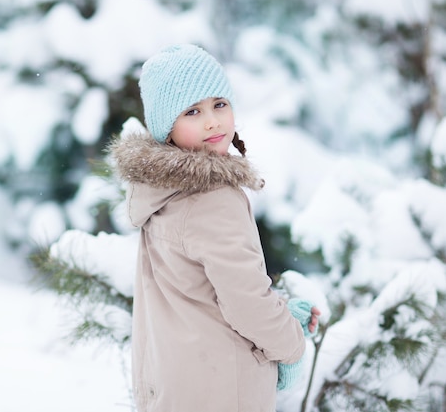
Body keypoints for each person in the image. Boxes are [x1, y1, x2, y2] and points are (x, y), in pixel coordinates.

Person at [109, 44, 320, 412]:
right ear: (166, 128)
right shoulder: (212, 199)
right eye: (192, 111)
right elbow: (247, 303)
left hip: (179, 389)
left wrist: (284, 314)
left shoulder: (160, 194)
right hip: (224, 393)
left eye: (219, 104)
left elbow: (200, 293)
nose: (212, 121)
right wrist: (291, 345)